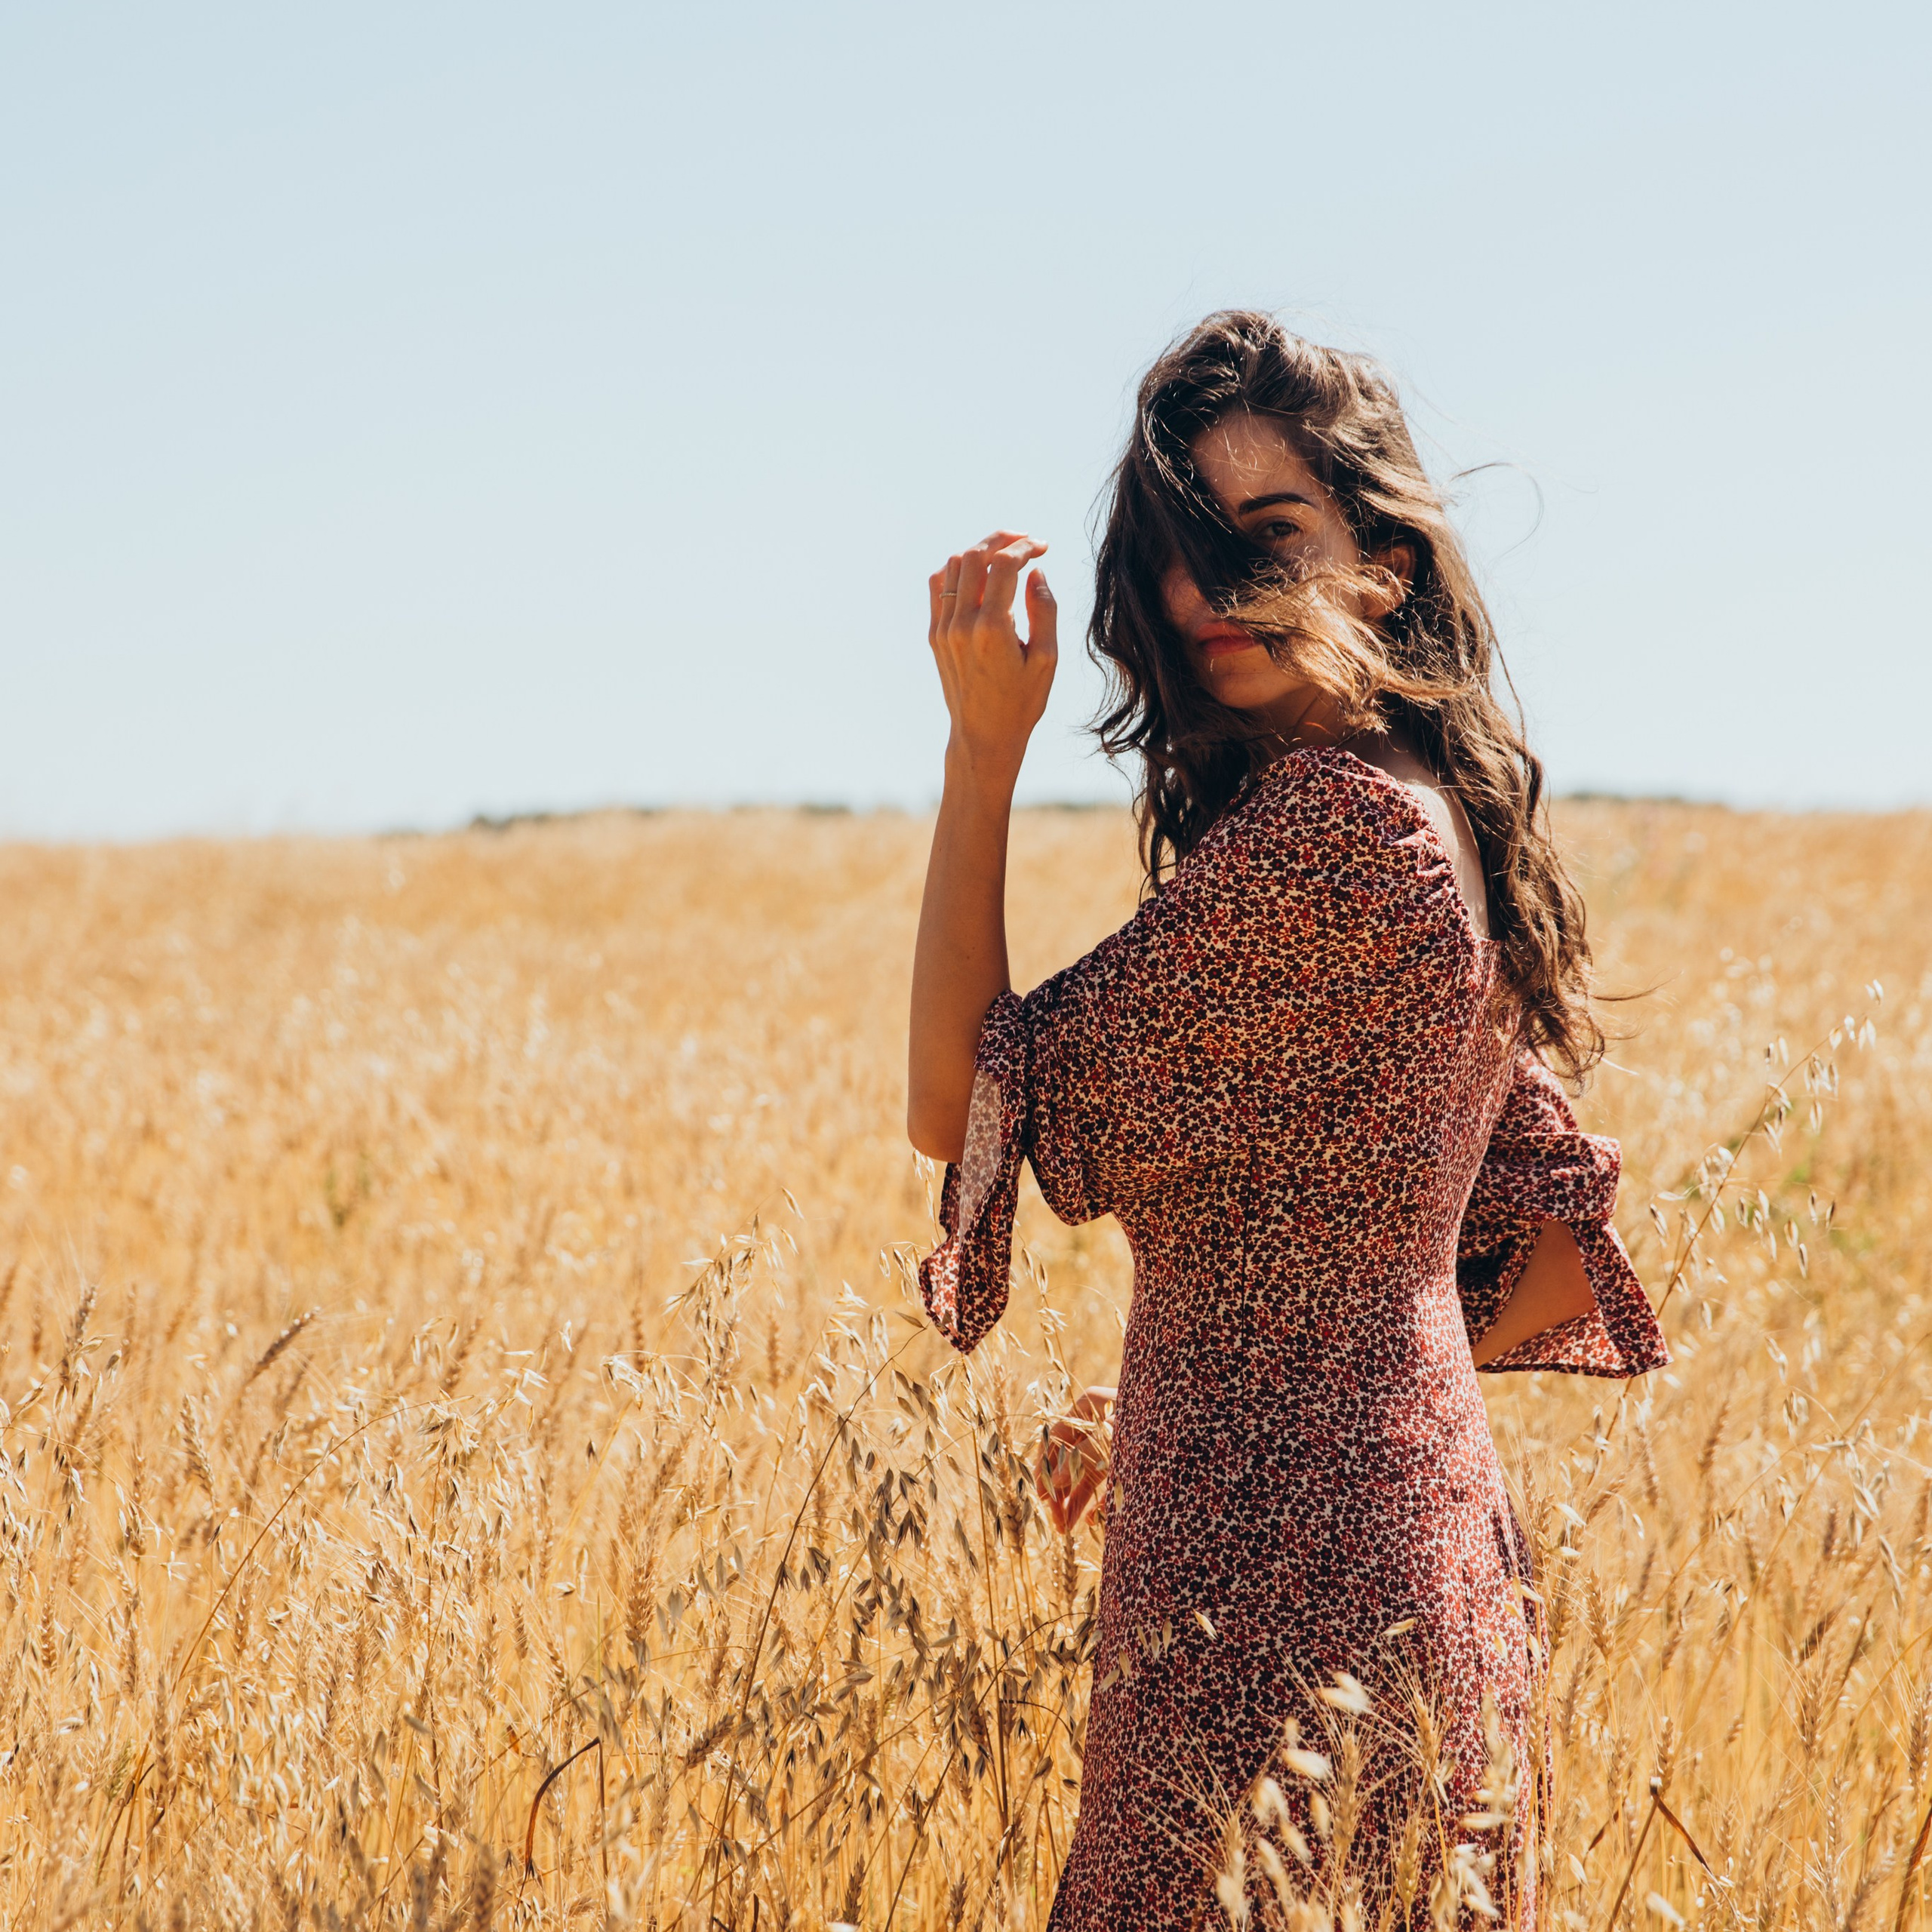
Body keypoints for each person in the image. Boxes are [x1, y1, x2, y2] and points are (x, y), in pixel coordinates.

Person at [906, 311, 1668, 1927]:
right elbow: (1516, 1265)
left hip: (1278, 1589)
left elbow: (960, 1100)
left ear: (1381, 559)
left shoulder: (1331, 833)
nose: (1210, 593)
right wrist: (1239, 1363)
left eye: (1267, 534)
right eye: (1183, 551)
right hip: (1413, 1544)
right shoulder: (1430, 814)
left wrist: (981, 751)